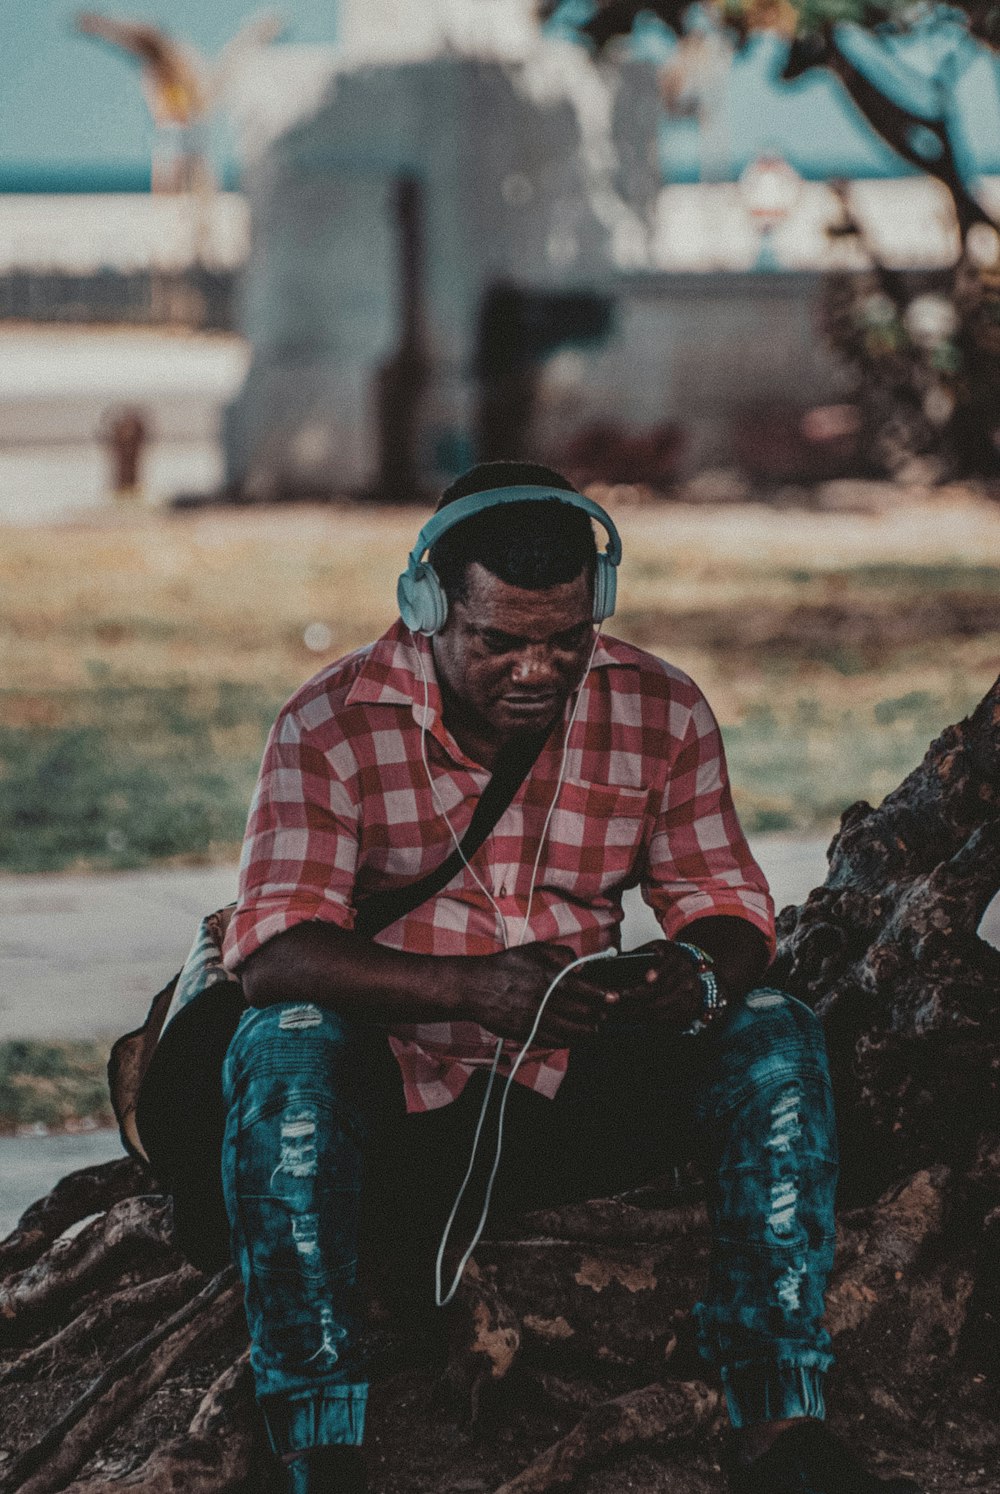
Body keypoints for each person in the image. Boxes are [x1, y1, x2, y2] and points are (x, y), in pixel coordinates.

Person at [218, 461, 919, 1494]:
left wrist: (683, 974)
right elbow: (274, 951)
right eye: (499, 641)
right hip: (398, 1097)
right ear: (426, 608)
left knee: (771, 1025)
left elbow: (728, 906)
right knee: (284, 1047)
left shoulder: (661, 708)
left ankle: (778, 1427)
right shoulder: (330, 724)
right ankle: (314, 1440)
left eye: (566, 639)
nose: (538, 669)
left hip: (575, 1086)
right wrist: (467, 989)